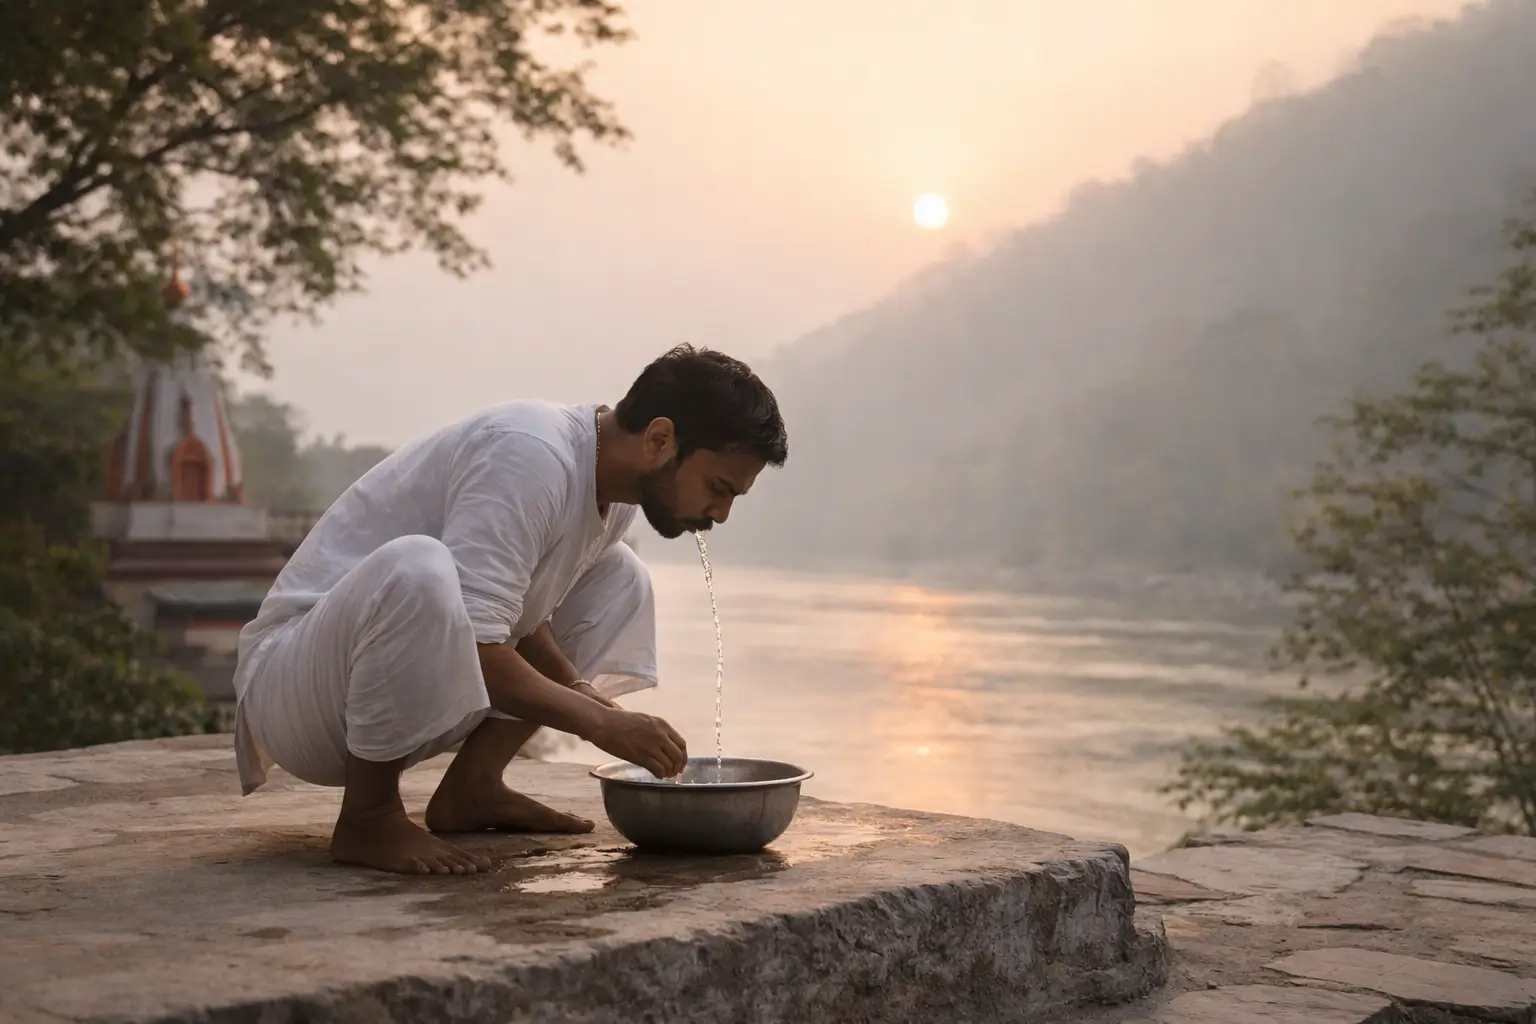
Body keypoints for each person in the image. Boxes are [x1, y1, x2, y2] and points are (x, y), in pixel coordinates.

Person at [231, 345, 789, 875]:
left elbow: (517, 614)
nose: (721, 513)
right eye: (719, 488)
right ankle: (369, 815)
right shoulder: (530, 454)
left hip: (370, 687)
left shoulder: (613, 497)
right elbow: (476, 644)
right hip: (297, 688)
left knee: (621, 578)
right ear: (660, 440)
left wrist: (588, 696)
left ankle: (474, 786)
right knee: (419, 568)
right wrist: (599, 723)